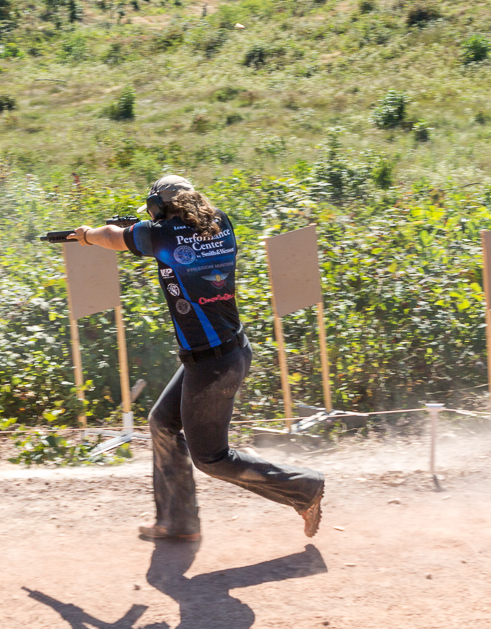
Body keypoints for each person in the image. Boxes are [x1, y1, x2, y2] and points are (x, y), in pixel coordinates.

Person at [70, 175, 325, 542]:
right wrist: (144, 228)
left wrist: (87, 234)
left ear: (159, 208)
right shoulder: (221, 222)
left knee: (211, 458)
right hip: (226, 352)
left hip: (212, 365)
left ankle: (304, 487)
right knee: (162, 422)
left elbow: (111, 238)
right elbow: (178, 237)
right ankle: (179, 522)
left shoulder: (162, 235)